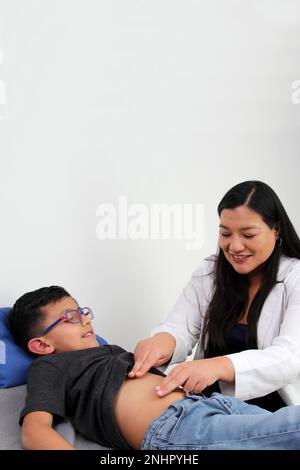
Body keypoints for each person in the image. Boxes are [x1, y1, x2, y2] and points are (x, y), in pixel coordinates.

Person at [8, 285, 300, 450]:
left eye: (82, 311)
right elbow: (35, 432)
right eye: (70, 317)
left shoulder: (109, 351)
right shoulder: (49, 367)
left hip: (212, 404)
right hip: (174, 429)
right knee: (288, 429)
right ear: (42, 345)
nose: (85, 319)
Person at [129, 180, 300, 411]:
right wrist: (162, 342)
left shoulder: (295, 277)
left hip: (273, 415)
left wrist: (218, 366)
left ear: (276, 230)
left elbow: (290, 357)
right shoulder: (210, 272)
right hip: (208, 408)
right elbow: (180, 327)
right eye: (225, 233)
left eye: (248, 235)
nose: (235, 246)